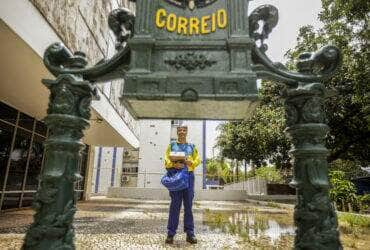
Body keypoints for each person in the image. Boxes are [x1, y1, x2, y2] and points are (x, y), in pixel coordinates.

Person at [164, 124, 201, 244]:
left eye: (184, 130)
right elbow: (166, 160)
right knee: (175, 206)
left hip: (189, 177)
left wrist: (192, 162)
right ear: (177, 132)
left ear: (187, 132)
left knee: (188, 206)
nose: (181, 132)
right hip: (176, 176)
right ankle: (170, 234)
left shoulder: (192, 146)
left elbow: (198, 159)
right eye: (179, 130)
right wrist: (173, 165)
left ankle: (190, 234)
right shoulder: (171, 145)